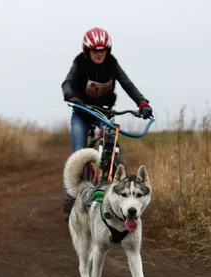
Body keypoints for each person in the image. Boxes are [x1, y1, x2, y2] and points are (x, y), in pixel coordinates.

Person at [61, 27, 153, 214]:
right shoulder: (80, 63)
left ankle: (109, 187)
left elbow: (127, 84)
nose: (99, 54)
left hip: (105, 113)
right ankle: (72, 196)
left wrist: (142, 103)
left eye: (102, 50)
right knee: (79, 152)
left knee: (111, 145)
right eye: (95, 51)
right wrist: (71, 95)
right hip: (82, 111)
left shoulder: (111, 64)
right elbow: (67, 82)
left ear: (107, 51)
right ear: (88, 52)